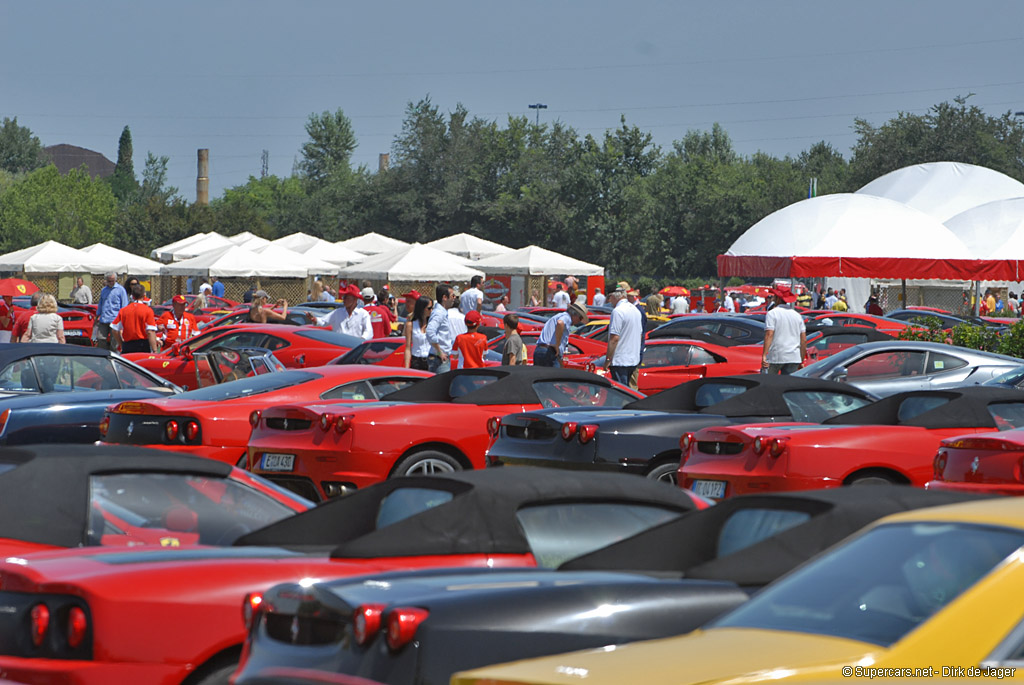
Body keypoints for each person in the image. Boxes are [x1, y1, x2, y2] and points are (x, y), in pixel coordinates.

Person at [762, 285, 806, 375]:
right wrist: (801, 359)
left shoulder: (772, 313)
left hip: (776, 355)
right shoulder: (797, 315)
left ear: (778, 298)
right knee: (789, 385)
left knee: (768, 384)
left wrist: (764, 355)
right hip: (794, 356)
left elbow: (769, 334)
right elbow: (803, 340)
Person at [604, 289, 642, 387]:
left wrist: (608, 359)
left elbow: (614, 338)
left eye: (610, 297)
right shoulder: (635, 310)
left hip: (620, 360)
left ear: (615, 296)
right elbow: (640, 335)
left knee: (619, 392)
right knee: (628, 392)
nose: (609, 300)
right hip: (633, 359)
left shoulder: (617, 311)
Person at [305, 284, 372, 339]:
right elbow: (323, 321)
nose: (344, 300)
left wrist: (361, 340)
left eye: (347, 298)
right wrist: (314, 319)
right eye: (344, 297)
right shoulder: (338, 312)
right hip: (339, 347)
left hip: (354, 349)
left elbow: (369, 332)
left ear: (355, 300)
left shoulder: (363, 314)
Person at [535, 302, 588, 367]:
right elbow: (560, 323)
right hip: (549, 351)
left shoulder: (559, 316)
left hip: (540, 350)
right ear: (575, 315)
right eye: (580, 318)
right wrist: (557, 345)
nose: (579, 321)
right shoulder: (567, 317)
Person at [111, 284, 159, 354]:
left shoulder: (123, 310)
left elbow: (114, 329)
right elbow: (150, 331)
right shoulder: (148, 310)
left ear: (132, 295)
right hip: (143, 345)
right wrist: (154, 350)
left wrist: (121, 344)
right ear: (144, 295)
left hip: (128, 345)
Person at [94, 272, 129, 350]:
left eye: (112, 281)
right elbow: (101, 304)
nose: (111, 283)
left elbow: (124, 306)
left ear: (116, 280)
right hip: (104, 319)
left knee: (114, 342)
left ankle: (113, 356)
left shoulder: (120, 290)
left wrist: (123, 320)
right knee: (100, 339)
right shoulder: (104, 290)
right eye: (109, 281)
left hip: (115, 320)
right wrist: (97, 316)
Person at [426, 284, 456, 373]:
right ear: (444, 297)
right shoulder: (439, 313)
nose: (454, 298)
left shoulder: (443, 312)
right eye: (452, 296)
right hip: (439, 359)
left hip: (441, 357)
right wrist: (440, 352)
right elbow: (430, 332)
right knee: (441, 385)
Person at [403, 296, 433, 370]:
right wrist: (406, 368)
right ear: (422, 309)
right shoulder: (411, 325)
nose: (431, 310)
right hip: (416, 360)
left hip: (430, 360)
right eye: (429, 308)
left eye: (432, 308)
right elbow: (408, 347)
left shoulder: (433, 325)